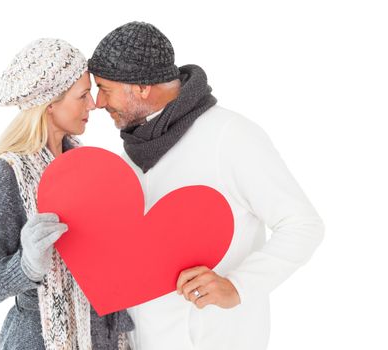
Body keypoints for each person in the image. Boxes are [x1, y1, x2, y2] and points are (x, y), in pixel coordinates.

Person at [87, 22, 325, 350]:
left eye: (105, 88)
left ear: (141, 87)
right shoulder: (132, 153)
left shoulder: (230, 137)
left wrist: (238, 286)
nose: (98, 102)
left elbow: (303, 225)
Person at [0, 38, 133, 350]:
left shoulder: (89, 168)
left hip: (105, 339)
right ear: (50, 104)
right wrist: (27, 266)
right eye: (82, 95)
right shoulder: (5, 176)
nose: (92, 104)